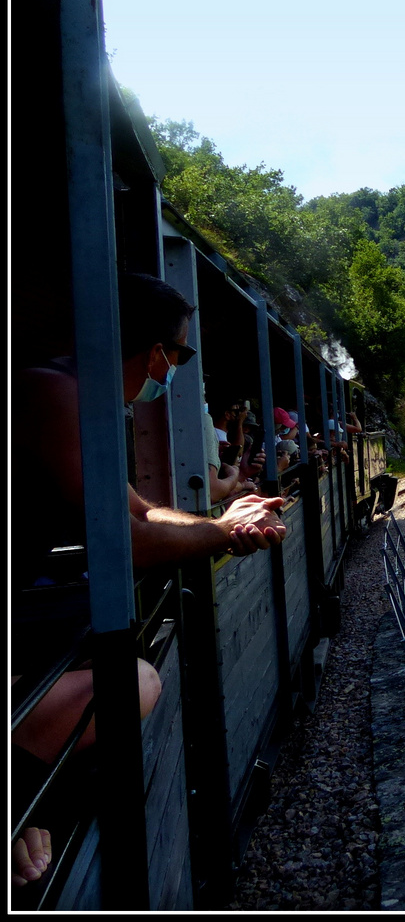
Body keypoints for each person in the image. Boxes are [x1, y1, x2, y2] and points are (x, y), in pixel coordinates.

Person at [11, 272, 288, 884]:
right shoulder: (51, 394)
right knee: (127, 684)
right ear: (159, 352)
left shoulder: (76, 395)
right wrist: (221, 531)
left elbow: (141, 511)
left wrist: (221, 520)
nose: (174, 371)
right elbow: (126, 541)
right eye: (180, 354)